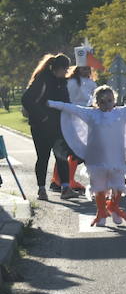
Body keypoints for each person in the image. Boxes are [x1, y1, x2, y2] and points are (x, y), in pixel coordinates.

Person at [47, 86, 126, 227]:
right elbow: (72, 109)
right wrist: (53, 104)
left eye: (110, 100)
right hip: (96, 160)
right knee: (99, 188)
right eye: (102, 102)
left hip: (116, 158)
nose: (107, 104)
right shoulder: (90, 114)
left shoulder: (121, 113)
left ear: (114, 100)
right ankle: (101, 212)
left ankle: (113, 207)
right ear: (96, 102)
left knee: (118, 186)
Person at [21, 54, 77, 201]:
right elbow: (26, 99)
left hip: (58, 126)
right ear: (57, 68)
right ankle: (41, 189)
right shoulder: (42, 79)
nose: (66, 72)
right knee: (43, 157)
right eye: (65, 69)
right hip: (40, 126)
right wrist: (42, 116)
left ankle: (65, 188)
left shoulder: (62, 82)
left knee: (61, 156)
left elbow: (66, 102)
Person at [53, 64, 97, 193]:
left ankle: (57, 180)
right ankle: (68, 180)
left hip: (70, 118)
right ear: (78, 69)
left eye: (88, 68)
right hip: (79, 119)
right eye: (84, 68)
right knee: (74, 151)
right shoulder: (87, 84)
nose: (87, 71)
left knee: (66, 150)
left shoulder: (70, 82)